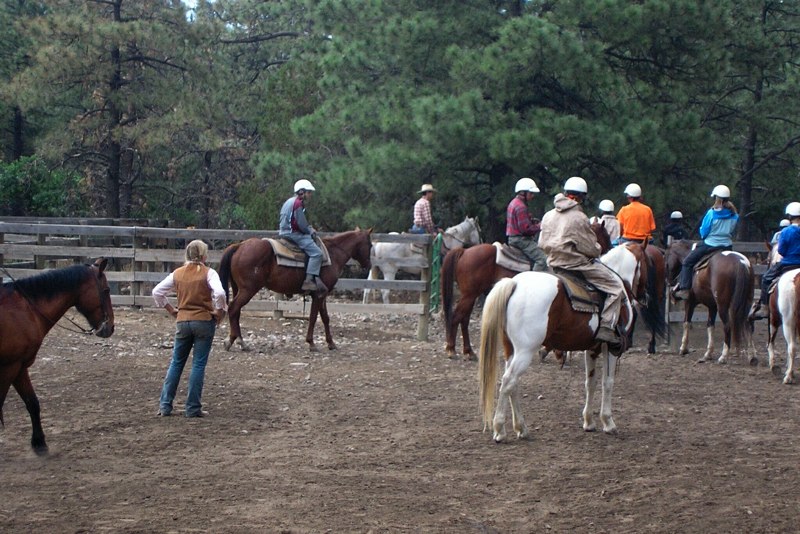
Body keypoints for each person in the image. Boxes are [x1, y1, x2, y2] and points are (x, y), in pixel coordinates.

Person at [539, 176, 627, 347]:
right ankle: (606, 328)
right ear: (581, 197)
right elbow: (590, 249)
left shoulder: (548, 215)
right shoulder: (579, 217)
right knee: (616, 288)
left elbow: (541, 243)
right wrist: (598, 249)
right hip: (577, 266)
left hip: (553, 264)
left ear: (566, 193)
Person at [153, 239, 227, 418]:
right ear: (204, 256)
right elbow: (220, 293)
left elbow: (157, 292)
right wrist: (219, 310)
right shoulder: (209, 273)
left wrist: (171, 309)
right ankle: (192, 407)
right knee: (198, 364)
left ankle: (165, 405)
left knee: (176, 362)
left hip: (183, 321)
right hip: (203, 321)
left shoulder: (177, 273)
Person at [672, 185, 739, 300]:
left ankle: (684, 289)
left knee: (687, 262)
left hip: (710, 244)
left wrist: (705, 234)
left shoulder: (711, 213)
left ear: (717, 198)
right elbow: (732, 229)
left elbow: (704, 231)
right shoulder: (735, 215)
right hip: (727, 246)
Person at [750, 203, 800, 320]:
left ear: (790, 217)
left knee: (766, 279)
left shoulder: (786, 231)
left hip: (788, 263)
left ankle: (764, 307)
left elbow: (781, 250)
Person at [279, 179, 327, 296]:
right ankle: (308, 281)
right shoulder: (297, 203)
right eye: (308, 192)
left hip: (284, 231)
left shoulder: (289, 201)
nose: (310, 195)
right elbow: (300, 223)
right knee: (317, 253)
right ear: (302, 192)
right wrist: (310, 230)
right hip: (293, 234)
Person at [505, 177, 547, 271]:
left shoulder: (513, 202)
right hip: (520, 240)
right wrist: (540, 226)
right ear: (523, 193)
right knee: (542, 259)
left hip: (512, 238)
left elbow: (518, 222)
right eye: (531, 193)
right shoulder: (521, 207)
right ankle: (533, 279)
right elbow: (526, 229)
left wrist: (531, 221)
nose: (532, 196)